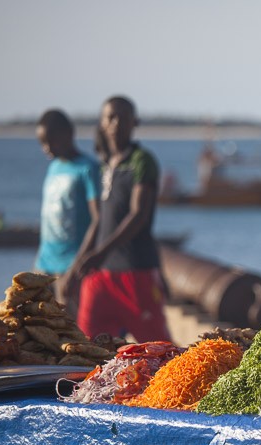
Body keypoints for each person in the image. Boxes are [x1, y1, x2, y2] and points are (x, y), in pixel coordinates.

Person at [65, 96, 172, 342]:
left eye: (123, 117)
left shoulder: (141, 161)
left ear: (135, 122)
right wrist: (77, 266)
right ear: (101, 123)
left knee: (157, 347)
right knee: (88, 347)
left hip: (136, 272)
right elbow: (99, 221)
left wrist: (101, 252)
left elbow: (138, 215)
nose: (116, 123)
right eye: (110, 117)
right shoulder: (104, 167)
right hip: (100, 277)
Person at [33, 109, 101, 307]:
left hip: (71, 266)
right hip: (44, 263)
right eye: (42, 143)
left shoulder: (87, 168)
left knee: (68, 328)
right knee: (34, 323)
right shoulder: (53, 167)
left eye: (50, 141)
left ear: (68, 134)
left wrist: (77, 266)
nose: (46, 148)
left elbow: (98, 219)